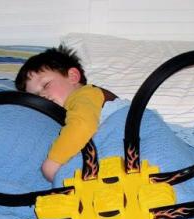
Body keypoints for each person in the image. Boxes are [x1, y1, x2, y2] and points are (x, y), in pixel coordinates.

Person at [15, 45, 117, 182]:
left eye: (46, 85)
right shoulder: (69, 111)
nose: (42, 96)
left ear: (73, 76)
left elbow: (82, 125)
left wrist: (53, 162)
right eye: (36, 96)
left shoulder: (85, 94)